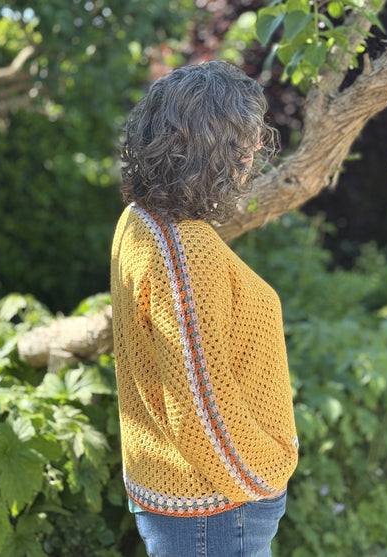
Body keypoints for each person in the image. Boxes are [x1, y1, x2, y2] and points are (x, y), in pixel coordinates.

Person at [110, 61, 299, 557]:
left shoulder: (140, 220)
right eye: (246, 138)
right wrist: (264, 474)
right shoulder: (186, 253)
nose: (255, 148)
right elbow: (197, 403)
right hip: (216, 508)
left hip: (197, 498)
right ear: (215, 149)